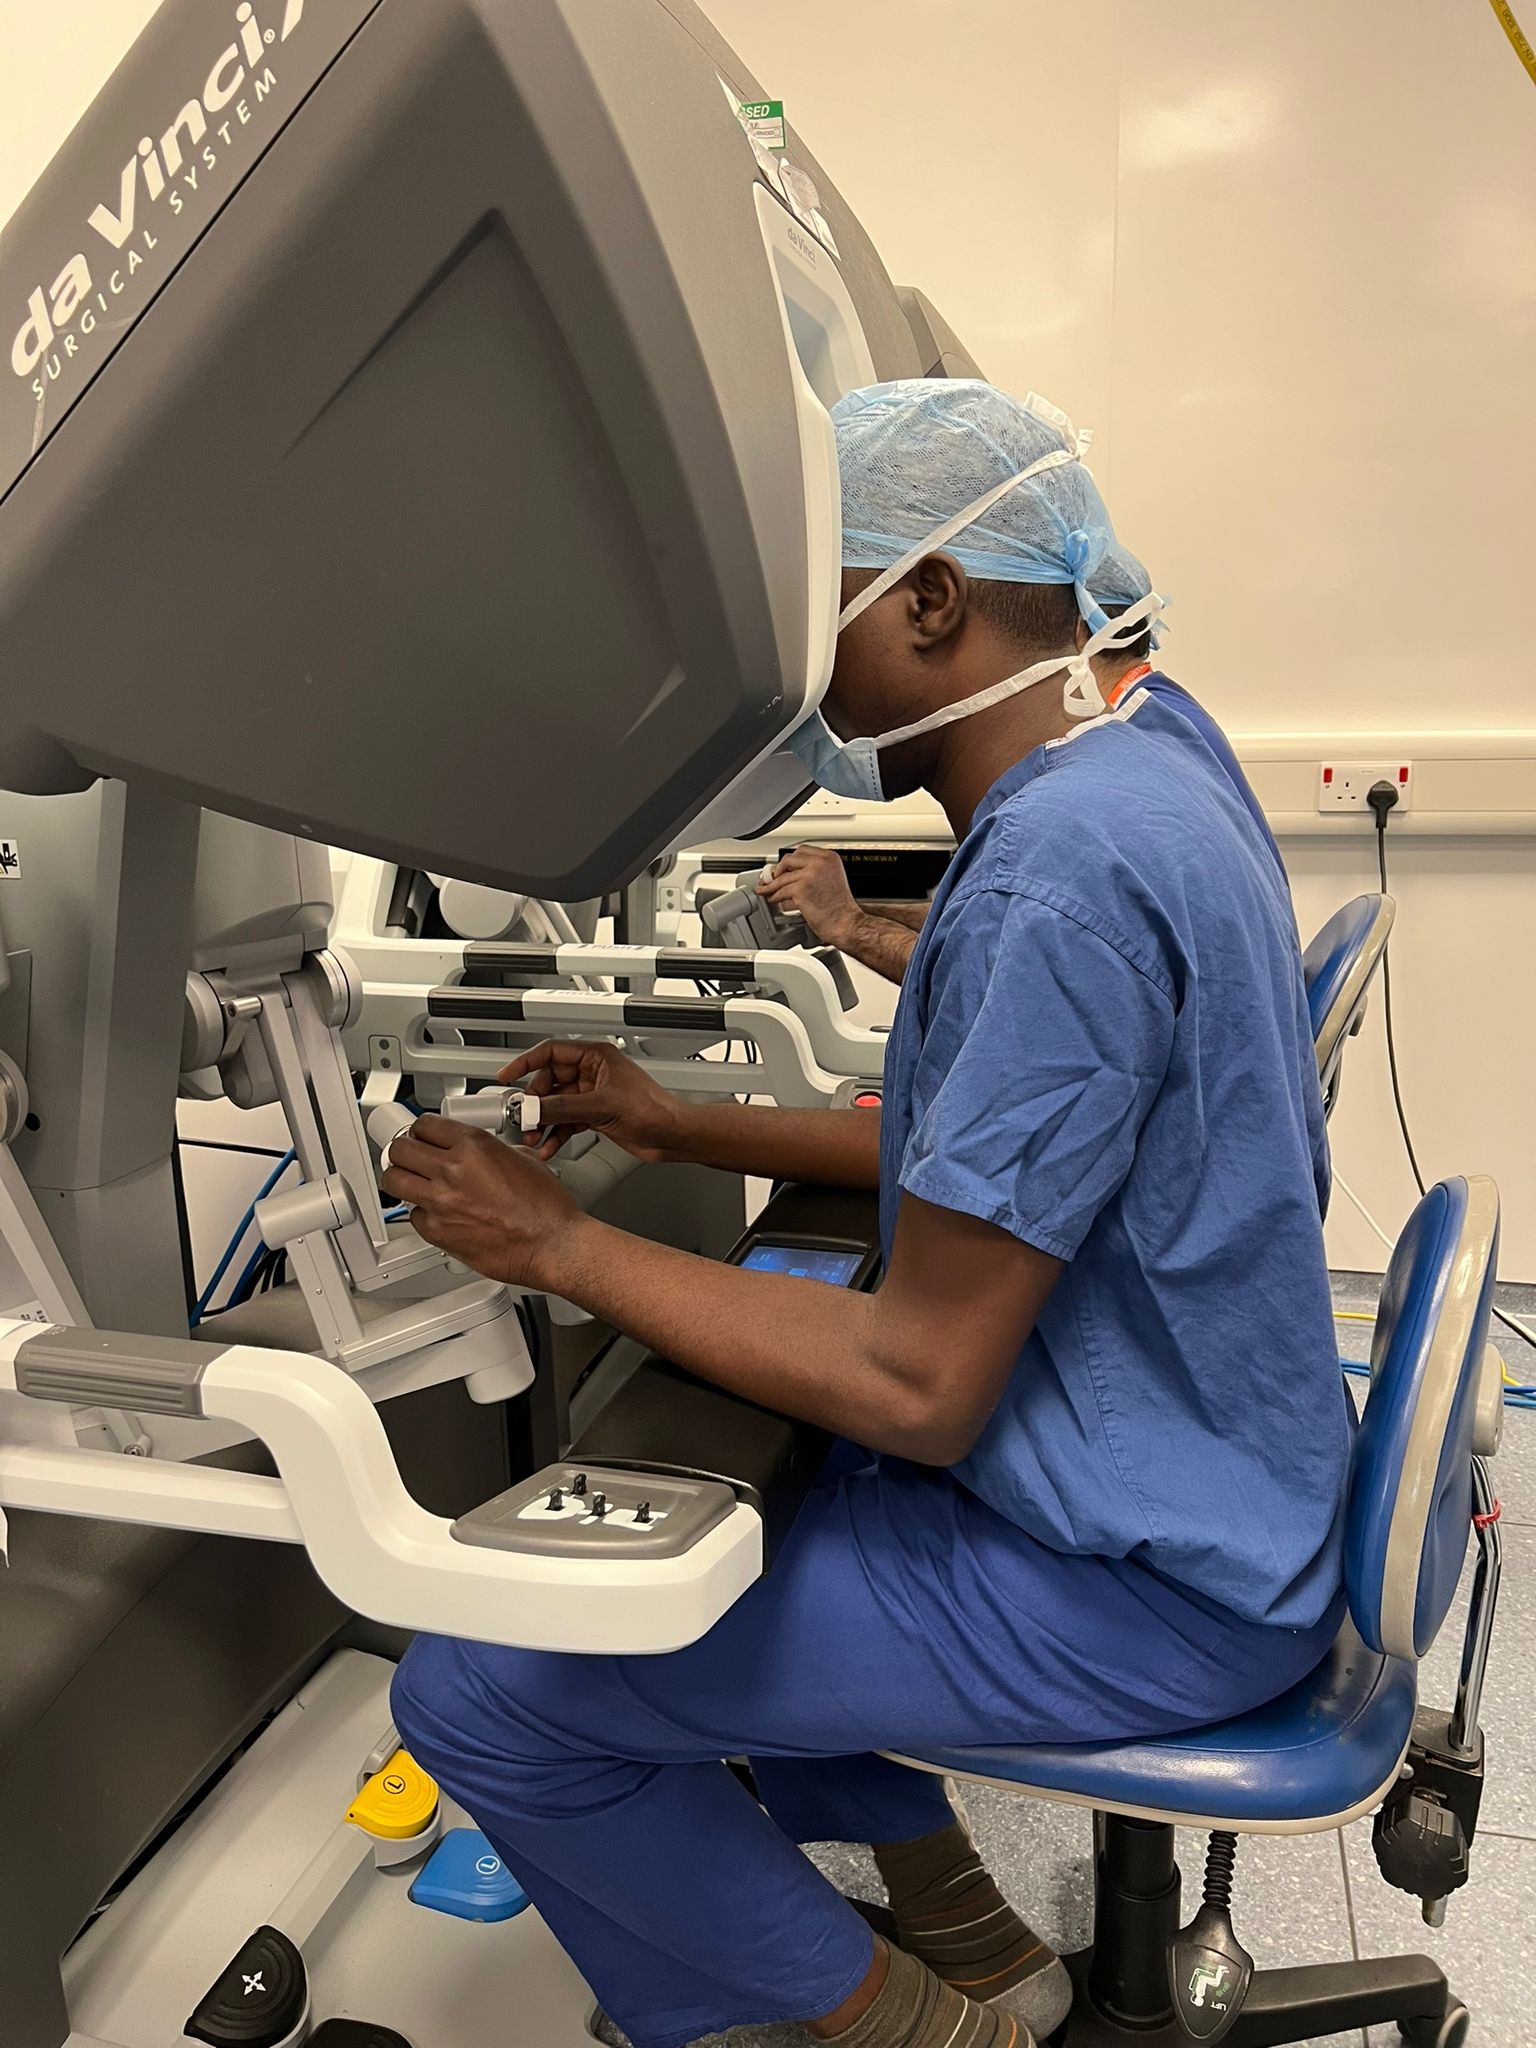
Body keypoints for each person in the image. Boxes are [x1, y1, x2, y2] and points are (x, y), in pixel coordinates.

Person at [381, 380, 1350, 2048]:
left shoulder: (1056, 870)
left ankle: (917, 2033)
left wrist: (560, 1243)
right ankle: (981, 1946)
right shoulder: (1147, 759)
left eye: (800, 600)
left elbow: (920, 1379)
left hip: (1154, 1582)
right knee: (771, 1531)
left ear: (927, 602)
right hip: (1222, 1490)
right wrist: (670, 1113)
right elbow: (992, 1142)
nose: (784, 661)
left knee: (480, 1689)